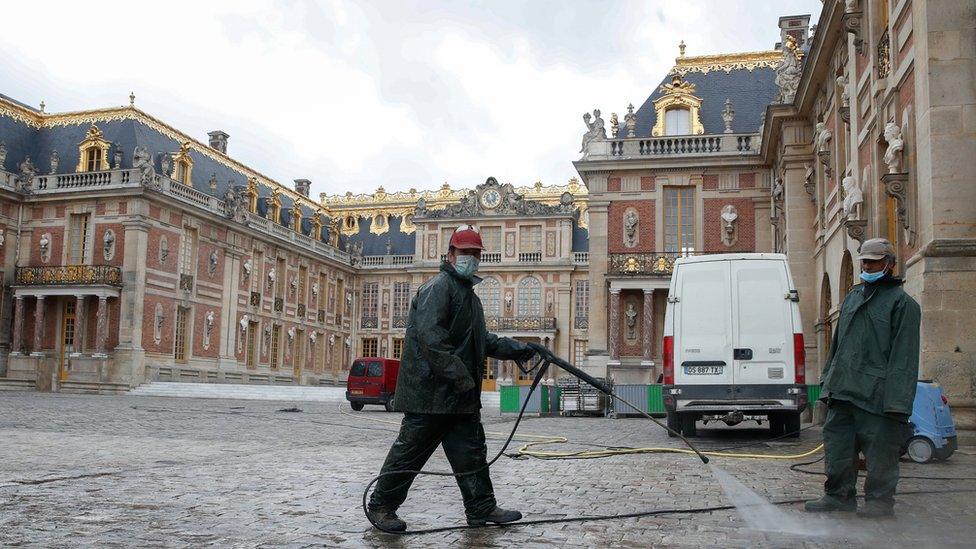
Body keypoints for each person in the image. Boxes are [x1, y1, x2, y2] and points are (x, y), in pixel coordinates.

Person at [366, 224, 537, 532]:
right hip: (430, 396)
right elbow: (433, 341)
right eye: (465, 252)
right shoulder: (437, 289)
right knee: (408, 455)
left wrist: (520, 349)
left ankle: (481, 508)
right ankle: (381, 506)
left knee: (472, 456)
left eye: (475, 253)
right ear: (450, 254)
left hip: (458, 399)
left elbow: (482, 340)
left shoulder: (469, 297)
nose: (470, 258)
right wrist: (463, 379)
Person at [805, 238, 921, 517]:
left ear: (889, 265)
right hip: (842, 390)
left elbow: (904, 359)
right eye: (865, 261)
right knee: (838, 448)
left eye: (874, 261)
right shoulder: (853, 298)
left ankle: (880, 500)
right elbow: (837, 344)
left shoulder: (903, 304)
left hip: (877, 396)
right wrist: (827, 381)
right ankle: (838, 496)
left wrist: (898, 404)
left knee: (881, 452)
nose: (867, 266)